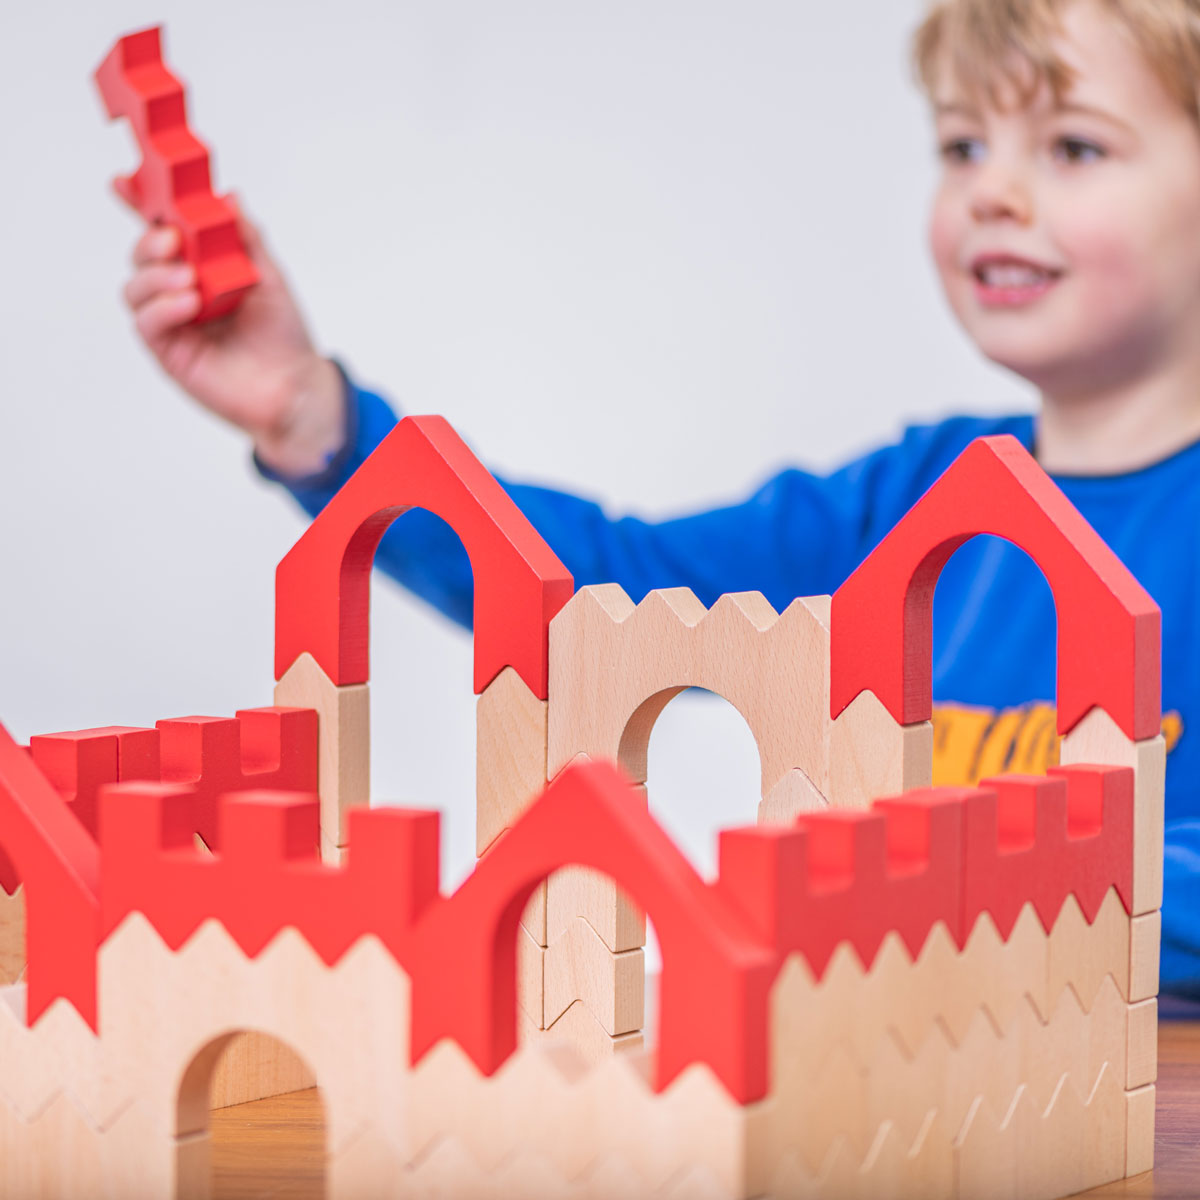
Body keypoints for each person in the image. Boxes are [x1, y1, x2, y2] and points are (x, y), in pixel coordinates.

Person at [119, 0, 1200, 994]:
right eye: (962, 145)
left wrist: (989, 882)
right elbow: (608, 595)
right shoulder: (914, 499)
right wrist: (320, 426)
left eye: (1073, 147)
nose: (991, 192)